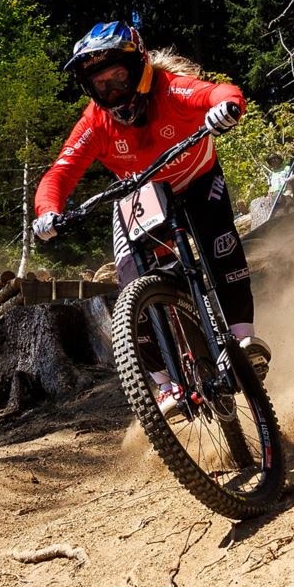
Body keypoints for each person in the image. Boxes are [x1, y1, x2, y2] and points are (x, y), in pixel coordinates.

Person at [30, 21, 270, 415]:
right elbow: (59, 172)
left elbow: (219, 93)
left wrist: (228, 108)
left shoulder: (171, 88)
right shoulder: (95, 121)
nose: (112, 92)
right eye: (101, 86)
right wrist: (48, 212)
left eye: (118, 78)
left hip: (197, 178)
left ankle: (244, 342)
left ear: (139, 67)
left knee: (218, 244)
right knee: (131, 284)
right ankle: (166, 384)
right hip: (139, 193)